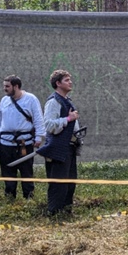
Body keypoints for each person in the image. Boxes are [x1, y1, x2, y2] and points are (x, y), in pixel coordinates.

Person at [0, 75, 46, 199]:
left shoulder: (31, 99)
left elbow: (38, 118)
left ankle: (29, 199)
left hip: (23, 144)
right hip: (5, 144)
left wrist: (38, 137)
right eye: (4, 86)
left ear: (16, 86)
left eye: (7, 86)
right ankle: (10, 199)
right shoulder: (4, 100)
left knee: (26, 173)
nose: (5, 89)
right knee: (7, 173)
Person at [38, 69, 80, 215]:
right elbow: (49, 125)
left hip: (69, 148)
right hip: (58, 149)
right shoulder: (53, 102)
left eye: (70, 79)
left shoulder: (67, 101)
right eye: (67, 80)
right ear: (58, 83)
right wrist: (68, 119)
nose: (70, 82)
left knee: (70, 181)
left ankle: (66, 211)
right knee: (58, 183)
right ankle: (55, 213)